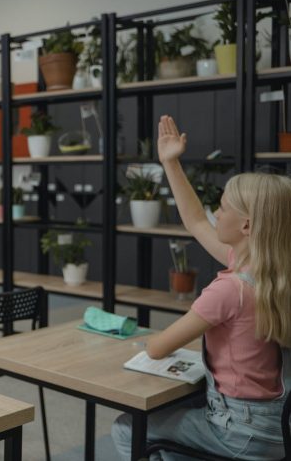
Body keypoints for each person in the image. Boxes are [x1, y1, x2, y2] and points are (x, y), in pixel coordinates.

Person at [111, 115, 291, 460]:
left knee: (127, 429)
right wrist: (170, 162)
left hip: (239, 431)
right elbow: (195, 220)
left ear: (246, 226)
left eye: (222, 208)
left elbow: (158, 348)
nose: (215, 214)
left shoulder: (231, 290)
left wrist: (148, 340)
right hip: (277, 427)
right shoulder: (274, 271)